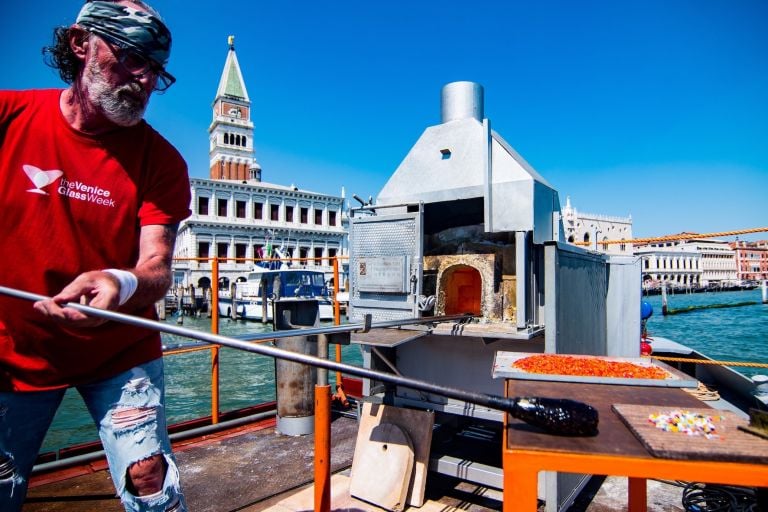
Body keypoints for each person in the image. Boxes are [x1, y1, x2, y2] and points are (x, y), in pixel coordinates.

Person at [0, 1, 190, 510]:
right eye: (132, 59)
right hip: (12, 354)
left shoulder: (164, 161)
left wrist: (117, 282)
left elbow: (157, 268)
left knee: (151, 479)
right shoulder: (8, 116)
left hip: (121, 351)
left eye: (156, 70)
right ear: (81, 44)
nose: (145, 79)